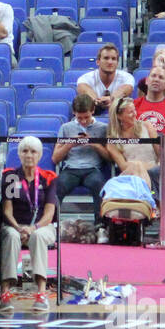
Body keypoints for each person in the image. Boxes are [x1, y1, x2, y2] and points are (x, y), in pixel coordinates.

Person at [0, 136, 58, 314]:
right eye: (24, 151)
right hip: (15, 225)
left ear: (39, 155)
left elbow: (49, 214)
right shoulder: (11, 177)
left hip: (41, 227)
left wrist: (33, 228)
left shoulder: (48, 178)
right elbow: (7, 210)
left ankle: (41, 293)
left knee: (38, 237)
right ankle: (5, 292)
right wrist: (18, 228)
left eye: (33, 151)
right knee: (10, 235)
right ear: (19, 154)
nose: (29, 155)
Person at [52, 95, 112, 230]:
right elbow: (55, 158)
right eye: (80, 118)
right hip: (70, 169)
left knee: (100, 186)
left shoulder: (103, 128)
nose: (83, 121)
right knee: (57, 186)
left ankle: (100, 226)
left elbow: (109, 157)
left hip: (93, 169)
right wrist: (70, 144)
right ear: (74, 113)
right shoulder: (66, 128)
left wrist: (93, 143)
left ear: (92, 111)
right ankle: (52, 223)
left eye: (86, 117)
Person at [75, 43, 134, 117]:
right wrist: (96, 100)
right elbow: (84, 89)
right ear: (98, 62)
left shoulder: (127, 77)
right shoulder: (85, 78)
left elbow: (125, 90)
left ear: (117, 63)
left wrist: (111, 99)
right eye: (106, 58)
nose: (110, 62)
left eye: (113, 59)